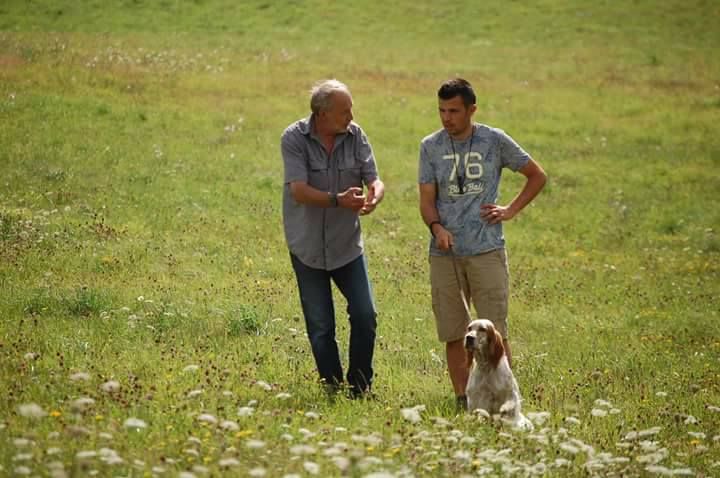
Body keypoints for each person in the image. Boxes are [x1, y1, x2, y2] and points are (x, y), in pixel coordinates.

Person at [418, 78, 547, 409]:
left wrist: (510, 210)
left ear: (471, 110)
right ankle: (465, 400)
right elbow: (426, 199)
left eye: (454, 111)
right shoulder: (430, 146)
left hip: (487, 249)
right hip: (444, 253)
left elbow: (537, 175)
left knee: (494, 331)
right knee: (454, 331)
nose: (446, 118)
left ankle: (504, 401)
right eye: (442, 110)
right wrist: (436, 228)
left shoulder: (494, 140)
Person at [281, 79, 384, 397]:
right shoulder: (294, 138)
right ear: (322, 114)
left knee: (365, 314)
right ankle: (332, 387)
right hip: (307, 245)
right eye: (344, 111)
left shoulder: (356, 136)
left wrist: (375, 195)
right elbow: (298, 190)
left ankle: (360, 388)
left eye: (350, 108)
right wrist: (339, 199)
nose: (351, 116)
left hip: (346, 246)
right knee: (321, 325)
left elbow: (374, 179)